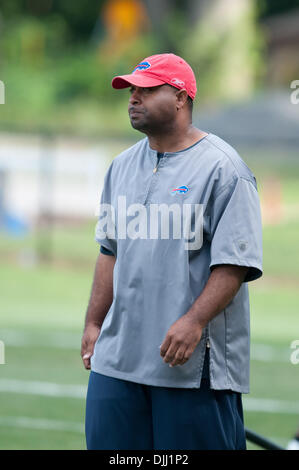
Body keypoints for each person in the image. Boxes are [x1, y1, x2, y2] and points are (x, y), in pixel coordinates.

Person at [81, 53, 263, 450]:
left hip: (188, 362)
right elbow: (109, 251)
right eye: (132, 90)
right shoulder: (121, 167)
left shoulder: (224, 168)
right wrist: (94, 324)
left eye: (146, 90)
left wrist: (194, 322)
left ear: (181, 97)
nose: (133, 98)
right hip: (118, 359)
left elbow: (234, 263)